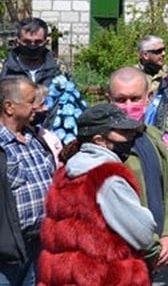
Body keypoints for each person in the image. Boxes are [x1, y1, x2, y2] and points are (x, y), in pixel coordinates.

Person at [37, 103, 157, 285]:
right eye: (123, 132)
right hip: (105, 277)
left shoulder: (66, 172)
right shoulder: (107, 178)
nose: (131, 136)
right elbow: (143, 233)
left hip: (66, 277)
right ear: (99, 140)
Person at [108, 66, 168, 271]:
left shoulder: (153, 137)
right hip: (119, 256)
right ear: (109, 99)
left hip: (153, 254)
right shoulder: (103, 145)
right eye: (120, 99)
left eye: (135, 98)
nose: (128, 106)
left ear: (148, 97)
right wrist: (151, 244)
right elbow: (116, 209)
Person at [0, 77, 55, 286]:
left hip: (38, 246)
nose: (37, 107)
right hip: (7, 253)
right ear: (9, 107)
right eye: (31, 102)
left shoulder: (35, 139)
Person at [0, 18, 69, 87]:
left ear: (46, 42)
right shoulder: (3, 68)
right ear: (17, 42)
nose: (32, 45)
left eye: (38, 42)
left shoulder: (58, 67)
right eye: (27, 41)